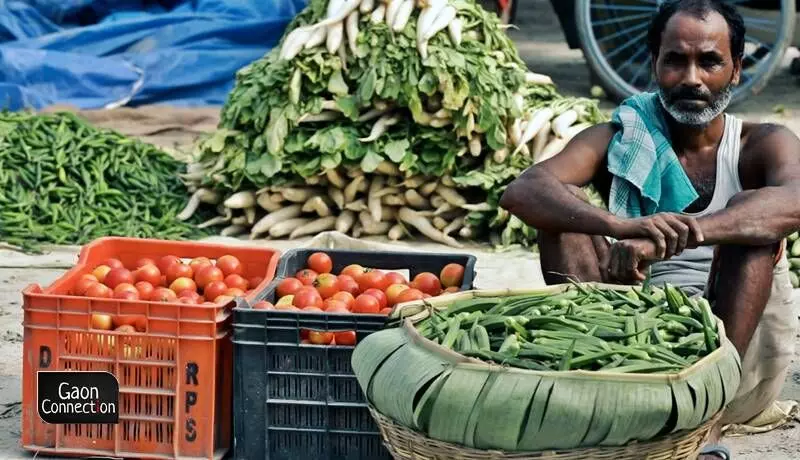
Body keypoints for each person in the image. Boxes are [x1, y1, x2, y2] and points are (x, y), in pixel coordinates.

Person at [499, 1, 799, 458]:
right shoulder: (620, 138)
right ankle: (597, 391)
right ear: (654, 63)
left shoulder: (761, 143)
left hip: (735, 366)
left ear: (736, 70)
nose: (692, 78)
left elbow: (795, 201)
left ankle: (707, 424)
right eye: (675, 60)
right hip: (632, 355)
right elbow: (523, 191)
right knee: (564, 210)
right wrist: (620, 224)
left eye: (710, 61)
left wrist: (676, 234)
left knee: (754, 227)